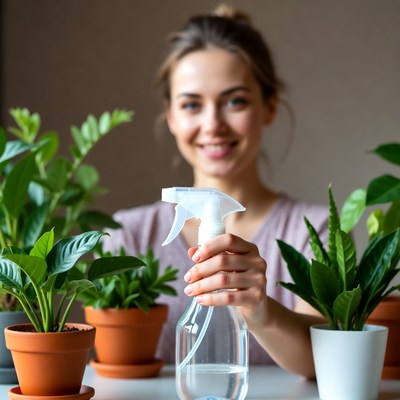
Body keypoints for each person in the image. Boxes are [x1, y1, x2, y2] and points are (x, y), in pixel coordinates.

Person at [103, 4, 328, 379]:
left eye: (235, 101)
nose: (213, 124)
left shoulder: (312, 233)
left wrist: (260, 309)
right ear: (172, 116)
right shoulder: (127, 237)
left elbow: (322, 362)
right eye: (192, 104)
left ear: (269, 106)